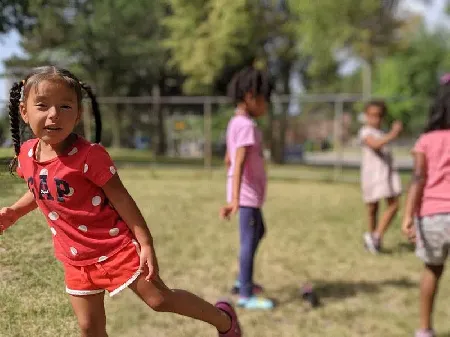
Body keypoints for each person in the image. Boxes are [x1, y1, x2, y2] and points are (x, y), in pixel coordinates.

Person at [0, 66, 242, 337]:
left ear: (78, 114)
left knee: (159, 300)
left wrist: (146, 243)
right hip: (76, 258)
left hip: (116, 247)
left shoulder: (89, 156)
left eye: (65, 106)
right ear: (24, 111)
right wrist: (12, 213)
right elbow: (41, 189)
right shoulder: (26, 154)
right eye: (42, 105)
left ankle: (225, 320)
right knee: (89, 327)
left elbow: (123, 199)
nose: (54, 114)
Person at [220, 66, 274, 310]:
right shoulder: (246, 126)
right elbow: (238, 161)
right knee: (249, 240)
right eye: (265, 100)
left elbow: (230, 157)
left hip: (248, 195)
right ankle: (245, 294)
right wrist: (234, 200)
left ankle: (243, 280)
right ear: (251, 96)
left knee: (257, 231)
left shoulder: (237, 122)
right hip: (246, 196)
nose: (267, 106)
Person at [402, 76, 450, 337]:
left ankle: (424, 329)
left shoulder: (426, 140)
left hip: (432, 217)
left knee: (432, 270)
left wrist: (408, 215)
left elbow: (418, 179)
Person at [359, 100, 403, 253]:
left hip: (385, 174)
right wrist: (393, 134)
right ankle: (372, 240)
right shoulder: (365, 131)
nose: (374, 119)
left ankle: (376, 236)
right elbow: (375, 145)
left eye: (378, 116)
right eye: (371, 115)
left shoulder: (382, 132)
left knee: (394, 204)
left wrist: (390, 134)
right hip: (372, 175)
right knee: (372, 207)